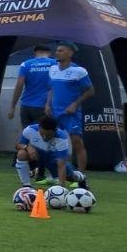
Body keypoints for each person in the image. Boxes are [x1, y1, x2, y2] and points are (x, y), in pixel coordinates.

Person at [45, 40, 95, 174]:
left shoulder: (79, 71)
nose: (57, 52)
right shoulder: (53, 69)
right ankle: (55, 174)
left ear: (70, 53)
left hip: (71, 114)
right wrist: (47, 105)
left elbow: (90, 91)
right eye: (57, 50)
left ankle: (81, 176)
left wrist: (75, 104)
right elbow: (51, 89)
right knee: (53, 143)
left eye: (61, 50)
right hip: (55, 113)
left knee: (76, 143)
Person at [15, 116, 88, 189]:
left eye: (48, 135)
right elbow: (18, 146)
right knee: (21, 154)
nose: (44, 137)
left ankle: (81, 177)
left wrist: (61, 188)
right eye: (42, 134)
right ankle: (26, 186)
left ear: (55, 131)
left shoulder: (61, 138)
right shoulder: (30, 130)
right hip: (36, 157)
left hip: (53, 160)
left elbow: (61, 164)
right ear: (39, 127)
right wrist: (27, 147)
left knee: (71, 177)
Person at [7, 43, 56, 127]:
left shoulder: (25, 64)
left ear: (35, 53)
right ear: (49, 53)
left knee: (27, 134)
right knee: (44, 136)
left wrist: (12, 107)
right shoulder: (54, 63)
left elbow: (19, 85)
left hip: (26, 106)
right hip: (44, 107)